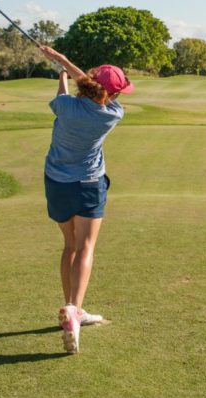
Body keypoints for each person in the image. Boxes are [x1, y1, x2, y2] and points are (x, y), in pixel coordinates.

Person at [39, 45, 134, 354]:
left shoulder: (65, 107)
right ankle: (75, 311)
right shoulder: (112, 114)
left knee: (69, 246)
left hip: (56, 183)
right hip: (90, 184)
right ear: (114, 94)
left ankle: (71, 308)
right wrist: (65, 63)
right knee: (86, 247)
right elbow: (91, 88)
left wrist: (61, 69)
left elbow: (69, 91)